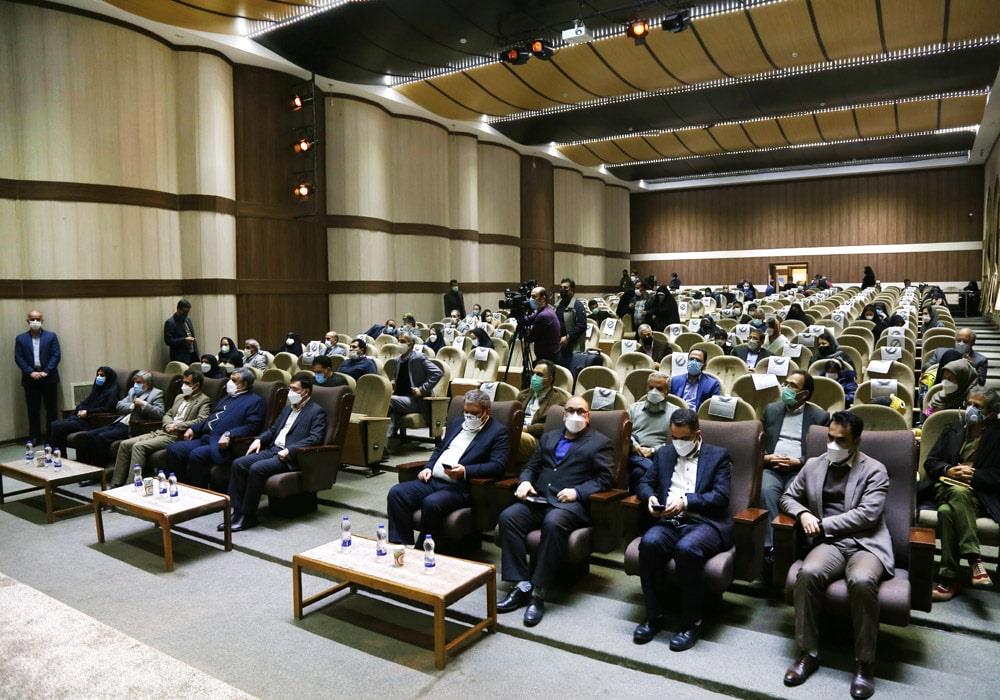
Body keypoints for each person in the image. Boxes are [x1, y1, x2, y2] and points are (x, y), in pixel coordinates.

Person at [780, 412, 891, 699]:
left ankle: (864, 662)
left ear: (857, 441)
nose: (833, 444)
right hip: (830, 543)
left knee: (862, 580)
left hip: (866, 542)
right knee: (808, 573)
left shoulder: (875, 470)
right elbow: (787, 497)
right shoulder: (814, 465)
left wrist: (822, 523)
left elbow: (867, 515)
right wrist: (803, 513)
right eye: (830, 437)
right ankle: (808, 653)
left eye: (841, 440)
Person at [496, 396, 613, 626]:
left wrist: (577, 492)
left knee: (553, 522)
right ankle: (521, 585)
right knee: (509, 517)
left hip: (569, 505)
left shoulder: (600, 442)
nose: (575, 415)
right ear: (564, 414)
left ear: (588, 416)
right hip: (539, 499)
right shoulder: (549, 437)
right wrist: (525, 481)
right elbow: (531, 467)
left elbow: (604, 479)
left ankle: (538, 594)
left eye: (581, 411)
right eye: (571, 410)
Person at [633, 409, 732, 651]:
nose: (678, 443)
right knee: (649, 543)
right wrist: (650, 499)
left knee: (687, 549)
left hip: (704, 522)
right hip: (670, 521)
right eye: (674, 437)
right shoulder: (665, 453)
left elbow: (720, 497)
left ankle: (691, 623)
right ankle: (654, 616)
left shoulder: (718, 456)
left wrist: (686, 502)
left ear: (697, 434)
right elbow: (645, 482)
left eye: (684, 438)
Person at [387, 390, 509, 546]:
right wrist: (428, 467)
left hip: (459, 487)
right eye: (466, 412)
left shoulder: (498, 432)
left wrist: (465, 471)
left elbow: (498, 465)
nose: (469, 416)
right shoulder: (457, 423)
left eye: (474, 413)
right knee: (397, 493)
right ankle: (401, 546)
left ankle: (423, 550)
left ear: (487, 411)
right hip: (433, 480)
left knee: (431, 503)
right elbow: (439, 449)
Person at [225, 372, 327, 531]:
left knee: (256, 468)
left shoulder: (316, 411)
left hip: (290, 456)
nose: (290, 392)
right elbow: (273, 430)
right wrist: (259, 439)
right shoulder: (287, 409)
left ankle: (248, 516)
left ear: (306, 391)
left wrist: (290, 450)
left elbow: (315, 438)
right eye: (290, 388)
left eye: (294, 389)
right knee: (238, 464)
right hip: (272, 449)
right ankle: (236, 512)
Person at [925, 388, 999, 600]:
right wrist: (948, 470)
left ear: (991, 413)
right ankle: (974, 559)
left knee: (946, 512)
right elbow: (931, 462)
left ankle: (948, 579)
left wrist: (976, 475)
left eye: (978, 406)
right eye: (969, 404)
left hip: (978, 495)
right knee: (956, 491)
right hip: (945, 486)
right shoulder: (952, 430)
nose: (970, 410)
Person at [761, 372, 830, 551]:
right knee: (766, 491)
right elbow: (758, 444)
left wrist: (799, 462)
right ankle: (772, 547)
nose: (786, 388)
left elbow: (822, 454)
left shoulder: (820, 417)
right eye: (786, 383)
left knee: (791, 495)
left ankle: (790, 546)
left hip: (800, 470)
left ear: (804, 394)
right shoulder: (771, 410)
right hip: (771, 467)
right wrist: (766, 458)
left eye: (793, 386)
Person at [110, 369, 212, 486]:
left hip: (177, 435)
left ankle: (132, 486)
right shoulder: (179, 397)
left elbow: (201, 420)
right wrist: (168, 424)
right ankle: (115, 484)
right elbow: (168, 414)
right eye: (183, 382)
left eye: (187, 383)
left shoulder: (204, 400)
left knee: (138, 447)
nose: (183, 386)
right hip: (163, 430)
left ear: (196, 385)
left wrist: (176, 426)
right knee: (125, 444)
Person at [166, 368, 265, 487]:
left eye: (234, 380)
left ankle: (200, 493)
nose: (229, 382)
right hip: (205, 438)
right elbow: (211, 418)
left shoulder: (255, 401)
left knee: (197, 454)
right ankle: (179, 487)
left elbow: (252, 427)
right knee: (174, 449)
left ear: (244, 384)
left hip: (221, 444)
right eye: (230, 379)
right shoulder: (227, 397)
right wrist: (194, 428)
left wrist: (230, 434)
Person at [75, 371, 165, 466]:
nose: (135, 385)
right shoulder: (132, 391)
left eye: (138, 382)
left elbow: (159, 413)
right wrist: (132, 406)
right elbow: (119, 405)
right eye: (135, 382)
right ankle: (88, 467)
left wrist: (143, 404)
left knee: (101, 437)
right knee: (89, 435)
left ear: (147, 384)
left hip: (134, 427)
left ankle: (100, 468)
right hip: (119, 422)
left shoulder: (156, 394)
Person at [15, 309, 62, 444]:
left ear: (42, 320)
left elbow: (56, 355)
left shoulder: (51, 336)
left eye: (38, 319)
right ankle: (34, 437)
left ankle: (51, 437)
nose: (35, 321)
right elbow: (19, 358)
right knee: (33, 410)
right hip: (30, 379)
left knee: (51, 410)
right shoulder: (20, 338)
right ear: (27, 321)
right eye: (32, 319)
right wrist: (31, 372)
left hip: (49, 378)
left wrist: (46, 371)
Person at [386, 333, 444, 442]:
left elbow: (437, 373)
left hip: (416, 400)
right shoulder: (398, 360)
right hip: (400, 398)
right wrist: (393, 381)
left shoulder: (419, 357)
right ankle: (383, 445)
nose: (399, 343)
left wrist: (422, 389)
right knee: (389, 410)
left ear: (411, 344)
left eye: (403, 341)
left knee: (387, 400)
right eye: (399, 341)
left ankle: (381, 443)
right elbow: (399, 377)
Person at [49, 367, 119, 452]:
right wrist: (78, 410)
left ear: (108, 377)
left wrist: (87, 412)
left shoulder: (112, 392)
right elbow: (85, 402)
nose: (98, 377)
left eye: (102, 375)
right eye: (98, 375)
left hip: (91, 421)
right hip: (81, 418)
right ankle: (56, 453)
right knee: (54, 424)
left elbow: (107, 409)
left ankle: (58, 454)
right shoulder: (97, 389)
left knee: (58, 426)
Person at [627, 372, 676, 492]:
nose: (654, 391)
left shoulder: (675, 413)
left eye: (659, 389)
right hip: (633, 452)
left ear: (667, 391)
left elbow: (676, 442)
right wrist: (635, 446)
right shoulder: (633, 408)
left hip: (658, 456)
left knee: (638, 472)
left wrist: (653, 450)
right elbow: (624, 433)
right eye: (651, 387)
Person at [514, 360, 567, 465]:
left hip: (537, 439)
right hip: (518, 430)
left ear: (550, 379)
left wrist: (527, 429)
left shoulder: (559, 400)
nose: (534, 377)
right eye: (533, 373)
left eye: (539, 375)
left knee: (514, 436)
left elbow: (552, 426)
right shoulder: (523, 395)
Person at [923, 328, 988, 386]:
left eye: (965, 341)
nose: (961, 343)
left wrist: (971, 368)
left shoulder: (981, 360)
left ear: (973, 343)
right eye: (959, 340)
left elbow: (981, 383)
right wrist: (943, 365)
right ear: (955, 340)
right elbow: (926, 367)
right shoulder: (940, 352)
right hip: (939, 388)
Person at [556, 278, 587, 368]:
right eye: (561, 287)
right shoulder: (558, 305)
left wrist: (568, 337)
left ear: (572, 290)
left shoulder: (578, 305)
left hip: (572, 345)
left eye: (565, 288)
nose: (562, 290)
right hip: (559, 345)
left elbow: (581, 325)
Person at [525, 286, 561, 363]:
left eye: (534, 297)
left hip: (548, 359)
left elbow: (530, 338)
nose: (531, 299)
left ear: (543, 298)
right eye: (531, 296)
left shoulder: (544, 315)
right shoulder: (545, 309)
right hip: (548, 355)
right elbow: (528, 320)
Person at [163, 299, 197, 363]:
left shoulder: (188, 320)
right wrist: (184, 340)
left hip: (192, 354)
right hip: (180, 358)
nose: (186, 314)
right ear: (178, 309)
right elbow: (168, 341)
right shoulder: (170, 323)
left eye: (188, 312)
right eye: (185, 312)